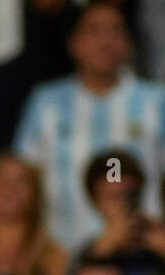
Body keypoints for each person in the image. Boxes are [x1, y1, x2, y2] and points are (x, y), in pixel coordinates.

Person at [15, 0, 165, 249]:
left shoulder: (156, 101)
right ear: (73, 44)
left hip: (140, 255)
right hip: (64, 255)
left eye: (115, 30)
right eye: (94, 30)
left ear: (128, 43)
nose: (105, 41)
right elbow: (25, 180)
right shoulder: (46, 103)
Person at [73, 148, 165, 275]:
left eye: (129, 196)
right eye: (113, 197)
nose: (123, 206)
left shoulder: (158, 240)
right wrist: (101, 251)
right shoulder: (85, 253)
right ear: (95, 201)